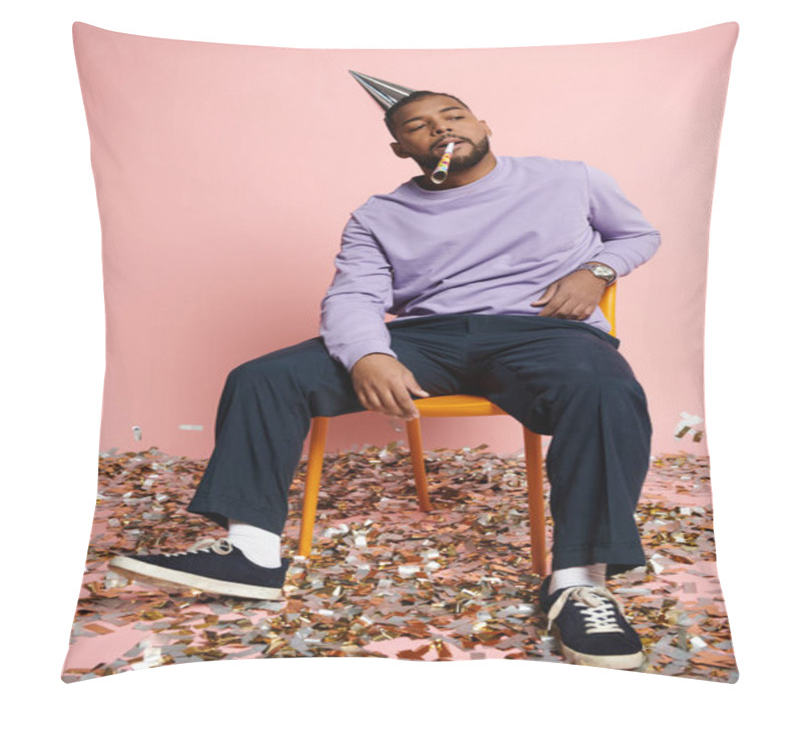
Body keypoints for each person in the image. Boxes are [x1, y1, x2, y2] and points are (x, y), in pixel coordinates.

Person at [110, 73, 661, 670]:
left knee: (606, 390)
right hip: (427, 337)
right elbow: (352, 296)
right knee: (262, 377)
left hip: (544, 330)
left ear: (482, 125)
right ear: (402, 149)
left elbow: (638, 233)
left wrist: (599, 271)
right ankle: (252, 553)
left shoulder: (569, 178)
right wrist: (370, 354)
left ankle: (580, 581)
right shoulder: (380, 215)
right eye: (418, 126)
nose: (441, 128)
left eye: (453, 114)